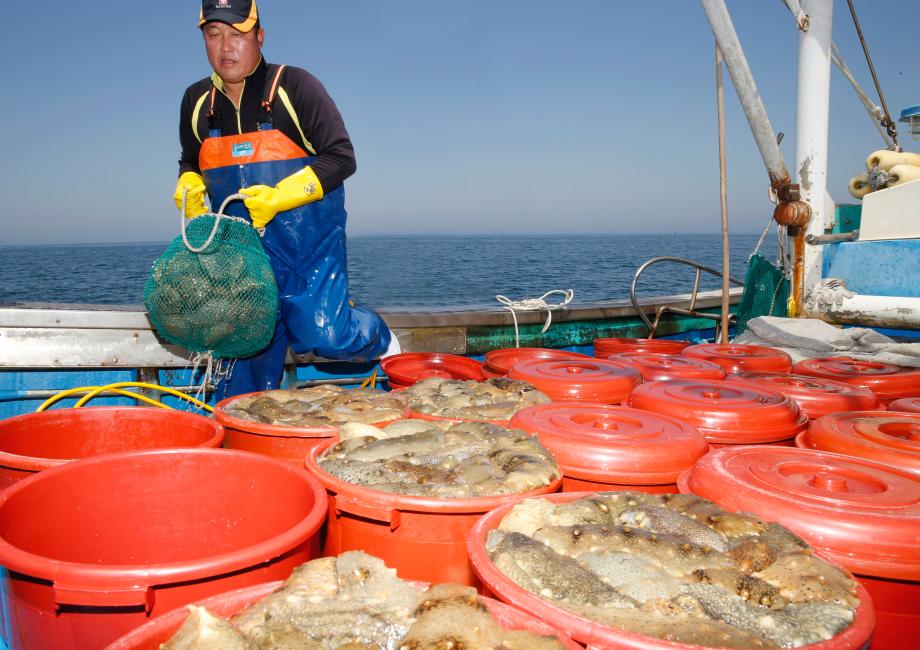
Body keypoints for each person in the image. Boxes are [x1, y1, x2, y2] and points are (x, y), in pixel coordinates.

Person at [174, 0, 397, 399]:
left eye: (237, 34)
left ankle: (382, 339)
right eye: (214, 35)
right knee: (242, 368)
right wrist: (189, 182)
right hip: (239, 259)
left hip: (307, 248)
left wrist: (281, 196)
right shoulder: (196, 103)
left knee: (326, 336)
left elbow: (342, 158)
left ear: (259, 36)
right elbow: (190, 159)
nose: (226, 46)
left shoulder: (295, 86)